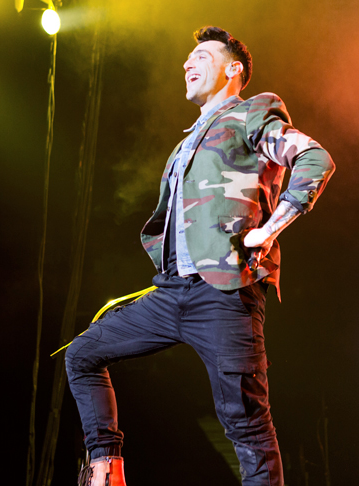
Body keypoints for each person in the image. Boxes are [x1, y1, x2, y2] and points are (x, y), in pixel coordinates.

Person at [65, 26, 335, 486]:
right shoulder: (184, 143)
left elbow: (315, 160)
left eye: (202, 56)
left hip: (225, 295)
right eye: (187, 59)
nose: (188, 64)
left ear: (234, 69)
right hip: (172, 292)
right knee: (83, 354)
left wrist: (269, 230)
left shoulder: (252, 113)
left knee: (246, 425)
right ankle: (105, 470)